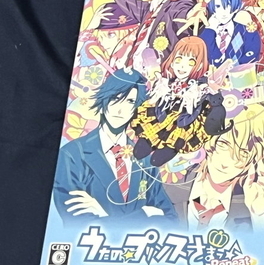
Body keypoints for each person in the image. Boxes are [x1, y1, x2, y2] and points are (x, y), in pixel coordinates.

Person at [52, 70, 178, 221]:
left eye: (130, 101)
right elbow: (75, 223)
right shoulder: (72, 155)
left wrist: (105, 216)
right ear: (103, 100)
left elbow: (171, 220)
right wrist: (145, 214)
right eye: (115, 98)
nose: (120, 109)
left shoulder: (145, 160)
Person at [130, 36, 226, 167]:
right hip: (163, 113)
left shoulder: (201, 86)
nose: (182, 66)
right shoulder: (169, 80)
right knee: (141, 148)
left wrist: (212, 94)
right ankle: (148, 140)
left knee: (165, 150)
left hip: (184, 119)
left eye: (190, 62)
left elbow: (213, 98)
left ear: (199, 65)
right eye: (179, 59)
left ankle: (171, 147)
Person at [187, 104, 264, 231]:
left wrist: (258, 217)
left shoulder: (257, 201)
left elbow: (262, 243)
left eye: (243, 153)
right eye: (223, 144)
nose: (227, 162)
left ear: (255, 159)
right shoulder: (171, 185)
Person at [200, 0, 263, 68]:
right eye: (218, 6)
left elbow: (247, 65)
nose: (223, 12)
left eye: (228, 5)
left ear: (236, 6)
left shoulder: (248, 34)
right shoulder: (203, 33)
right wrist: (210, 31)